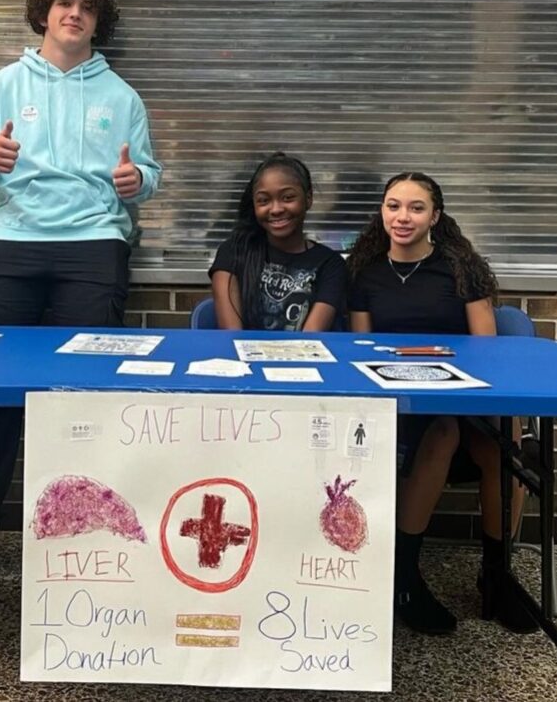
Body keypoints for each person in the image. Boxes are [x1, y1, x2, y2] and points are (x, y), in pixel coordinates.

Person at [0, 0, 162, 600]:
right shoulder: (1, 88)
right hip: (12, 243)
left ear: (98, 21)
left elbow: (149, 174)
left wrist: (135, 184)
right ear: (44, 14)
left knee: (85, 387)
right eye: (64, 4)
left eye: (87, 7)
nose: (75, 14)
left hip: (94, 246)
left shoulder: (121, 96)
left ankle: (84, 532)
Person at [347, 171, 536, 635]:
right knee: (442, 432)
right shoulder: (364, 273)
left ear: (435, 215)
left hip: (460, 393)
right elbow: (360, 350)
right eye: (393, 206)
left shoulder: (461, 267)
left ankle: (497, 576)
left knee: (503, 442)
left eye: (415, 208)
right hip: (401, 402)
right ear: (382, 212)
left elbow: (486, 349)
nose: (402, 217)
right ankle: (406, 579)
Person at [209, 152, 346, 331]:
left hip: (303, 357)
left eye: (287, 197)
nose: (276, 209)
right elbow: (232, 335)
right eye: (264, 200)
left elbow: (311, 338)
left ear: (308, 198)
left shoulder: (330, 264)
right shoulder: (233, 252)